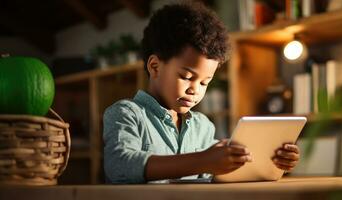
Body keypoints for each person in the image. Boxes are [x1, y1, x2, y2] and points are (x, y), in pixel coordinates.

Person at [103, 1, 300, 184]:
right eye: (187, 77)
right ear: (155, 67)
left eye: (205, 82)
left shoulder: (202, 127)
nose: (195, 90)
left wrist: (273, 160)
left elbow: (217, 174)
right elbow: (120, 165)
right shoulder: (126, 113)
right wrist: (203, 161)